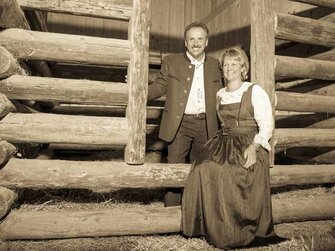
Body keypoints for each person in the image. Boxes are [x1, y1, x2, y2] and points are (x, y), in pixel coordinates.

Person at [182, 47, 276, 249]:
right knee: (201, 169)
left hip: (249, 143)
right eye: (226, 65)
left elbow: (267, 125)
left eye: (235, 64)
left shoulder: (254, 91)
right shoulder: (220, 94)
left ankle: (235, 230)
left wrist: (254, 147)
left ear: (243, 67)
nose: (229, 68)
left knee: (228, 173)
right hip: (224, 142)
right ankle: (206, 226)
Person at [148, 22, 222, 206]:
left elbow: (225, 92)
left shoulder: (216, 65)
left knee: (202, 170)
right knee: (175, 168)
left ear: (207, 42)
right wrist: (138, 89)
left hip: (207, 125)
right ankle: (171, 214)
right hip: (179, 124)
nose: (196, 43)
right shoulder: (171, 62)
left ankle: (196, 213)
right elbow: (160, 85)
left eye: (200, 39)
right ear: (185, 42)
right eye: (191, 39)